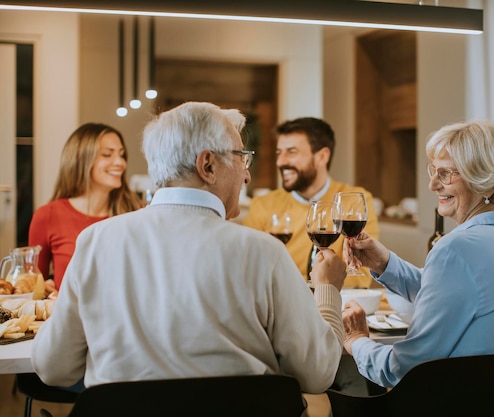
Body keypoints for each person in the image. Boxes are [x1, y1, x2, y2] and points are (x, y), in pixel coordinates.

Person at [31, 102, 347, 397]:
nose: (247, 174)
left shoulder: (95, 241)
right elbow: (318, 374)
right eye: (242, 158)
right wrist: (328, 289)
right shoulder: (263, 253)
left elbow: (53, 367)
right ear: (207, 165)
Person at [332, 119, 494, 388]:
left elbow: (404, 369)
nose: (433, 185)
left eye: (446, 173)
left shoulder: (457, 248)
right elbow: (448, 293)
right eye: (433, 171)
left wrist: (356, 341)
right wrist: (384, 262)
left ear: (482, 178)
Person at [242, 117, 380, 289]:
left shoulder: (354, 201)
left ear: (322, 156)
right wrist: (321, 280)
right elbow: (249, 272)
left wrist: (285, 281)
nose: (280, 161)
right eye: (279, 153)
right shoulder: (263, 205)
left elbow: (359, 279)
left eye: (291, 152)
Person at [28, 123, 143, 296]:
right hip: (72, 321)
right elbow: (35, 284)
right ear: (81, 160)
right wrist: (44, 289)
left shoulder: (138, 213)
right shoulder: (47, 216)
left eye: (121, 154)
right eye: (107, 154)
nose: (120, 162)